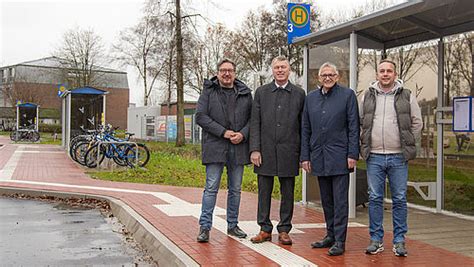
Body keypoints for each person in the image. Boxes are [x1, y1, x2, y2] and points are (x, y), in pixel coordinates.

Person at [359, 59, 422, 257]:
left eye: (389, 71)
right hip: (375, 156)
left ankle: (399, 241)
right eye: (382, 71)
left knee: (400, 199)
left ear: (395, 74)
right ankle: (376, 240)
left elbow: (417, 123)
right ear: (377, 74)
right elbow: (360, 121)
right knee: (375, 198)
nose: (385, 74)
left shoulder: (407, 95)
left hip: (398, 157)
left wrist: (407, 144)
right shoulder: (366, 96)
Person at [300, 62, 360, 256]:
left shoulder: (347, 95)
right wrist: (305, 157)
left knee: (340, 201)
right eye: (324, 74)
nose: (327, 77)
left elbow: (353, 126)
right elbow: (305, 129)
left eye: (331, 74)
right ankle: (330, 235)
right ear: (319, 78)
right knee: (326, 200)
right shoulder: (310, 99)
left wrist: (352, 154)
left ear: (337, 76)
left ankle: (340, 241)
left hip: (340, 157)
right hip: (319, 156)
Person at [249, 56, 305, 245]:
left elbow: (303, 126)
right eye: (276, 67)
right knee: (264, 191)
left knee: (287, 192)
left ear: (290, 70)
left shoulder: (299, 94)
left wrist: (302, 154)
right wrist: (255, 149)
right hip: (265, 151)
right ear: (271, 70)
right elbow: (255, 123)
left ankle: (284, 229)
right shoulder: (261, 92)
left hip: (289, 151)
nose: (280, 70)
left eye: (283, 67)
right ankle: (264, 228)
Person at [195, 59, 253, 243]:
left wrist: (243, 134)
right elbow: (201, 117)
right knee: (211, 188)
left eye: (230, 70)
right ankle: (204, 227)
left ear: (235, 73)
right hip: (215, 147)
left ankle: (233, 225)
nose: (226, 74)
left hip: (238, 148)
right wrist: (224, 133)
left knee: (235, 189)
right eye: (223, 70)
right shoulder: (208, 91)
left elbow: (254, 119)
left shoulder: (245, 93)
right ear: (218, 73)